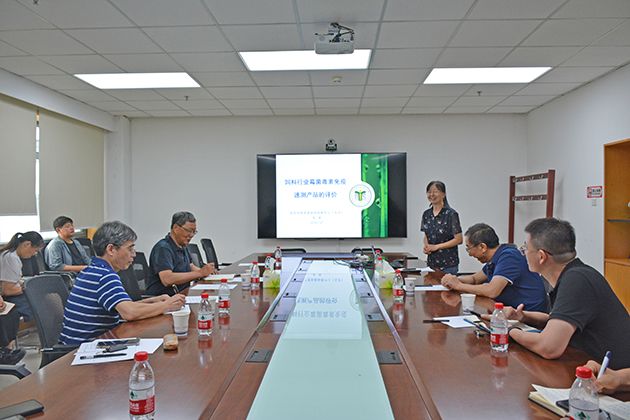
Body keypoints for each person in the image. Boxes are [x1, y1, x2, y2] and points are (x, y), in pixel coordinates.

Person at [491, 218, 630, 369]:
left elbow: (548, 347)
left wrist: (509, 330)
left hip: (611, 376)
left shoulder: (576, 280)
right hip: (587, 363)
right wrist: (523, 316)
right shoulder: (576, 274)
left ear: (541, 256)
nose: (523, 254)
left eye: (526, 249)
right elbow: (558, 322)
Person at [59, 221, 185, 345]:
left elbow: (123, 307)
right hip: (87, 349)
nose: (133, 255)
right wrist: (167, 305)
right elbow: (129, 312)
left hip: (78, 346)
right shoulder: (105, 275)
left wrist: (153, 301)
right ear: (111, 249)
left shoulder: (92, 270)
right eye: (130, 249)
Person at [441, 223, 549, 312]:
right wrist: (453, 280)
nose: (470, 254)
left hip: (528, 316)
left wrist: (459, 286)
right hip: (509, 311)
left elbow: (492, 290)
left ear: (482, 247)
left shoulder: (509, 256)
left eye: (469, 249)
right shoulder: (496, 257)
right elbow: (475, 279)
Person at [146, 211, 218, 296]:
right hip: (164, 298)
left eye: (194, 232)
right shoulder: (163, 248)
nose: (192, 235)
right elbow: (167, 279)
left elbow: (190, 267)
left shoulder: (182, 246)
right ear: (175, 228)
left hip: (181, 295)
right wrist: (200, 273)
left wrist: (207, 271)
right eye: (189, 231)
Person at [0, 231, 44, 323]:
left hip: (10, 293)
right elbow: (7, 290)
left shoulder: (10, 254)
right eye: (35, 250)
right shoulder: (11, 258)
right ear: (27, 244)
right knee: (42, 300)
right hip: (7, 297)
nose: (33, 254)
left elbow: (13, 279)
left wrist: (27, 283)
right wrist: (31, 287)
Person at [420, 181, 463, 275]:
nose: (432, 194)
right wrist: (427, 246)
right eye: (429, 191)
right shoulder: (426, 214)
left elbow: (459, 239)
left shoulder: (451, 214)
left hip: (448, 264)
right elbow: (426, 235)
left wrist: (436, 247)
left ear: (444, 194)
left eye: (435, 191)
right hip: (431, 264)